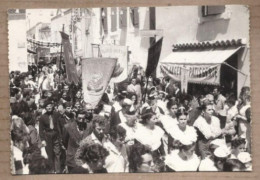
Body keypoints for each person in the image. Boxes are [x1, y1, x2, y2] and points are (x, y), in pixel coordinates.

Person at [39, 100, 61, 173]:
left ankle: (58, 171)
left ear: (52, 106)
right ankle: (51, 170)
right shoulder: (42, 117)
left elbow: (60, 125)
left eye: (50, 106)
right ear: (45, 108)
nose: (49, 107)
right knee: (50, 154)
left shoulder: (57, 114)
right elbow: (41, 130)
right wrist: (43, 140)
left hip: (56, 135)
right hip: (47, 136)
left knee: (57, 153)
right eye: (47, 106)